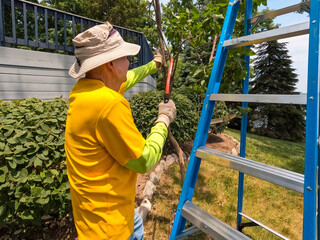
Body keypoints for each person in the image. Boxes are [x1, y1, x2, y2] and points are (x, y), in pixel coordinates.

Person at [65, 22, 176, 240]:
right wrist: (163, 119)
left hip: (96, 218)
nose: (128, 62)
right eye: (124, 57)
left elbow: (129, 77)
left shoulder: (86, 91)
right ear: (110, 64)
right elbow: (144, 160)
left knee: (135, 222)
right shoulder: (108, 104)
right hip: (110, 230)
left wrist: (154, 65)